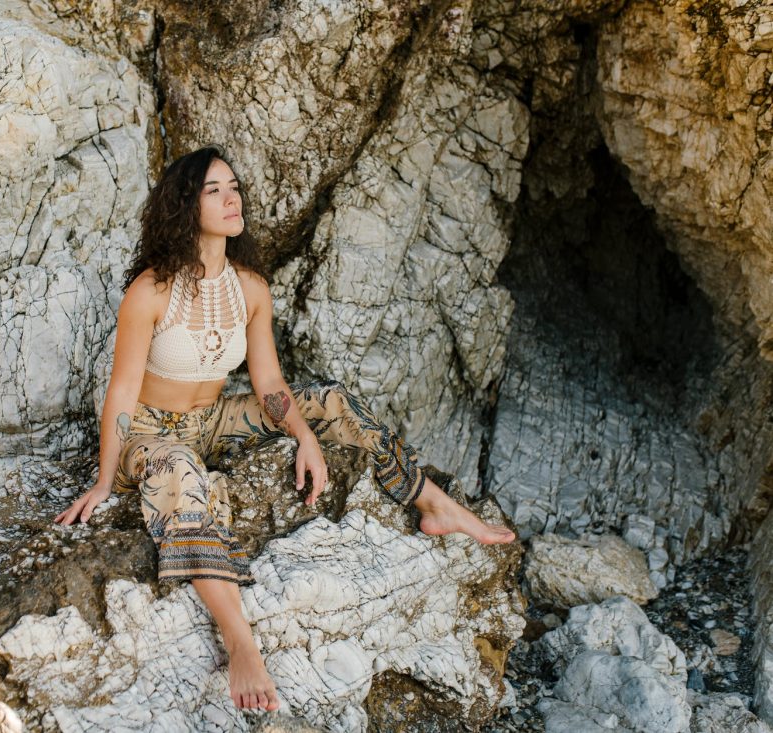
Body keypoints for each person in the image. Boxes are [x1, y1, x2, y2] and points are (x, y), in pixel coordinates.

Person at [54, 146, 516, 712]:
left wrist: (305, 434)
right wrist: (105, 481)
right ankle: (239, 641)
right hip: (151, 437)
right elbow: (121, 392)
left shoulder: (249, 286)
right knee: (179, 470)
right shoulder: (150, 291)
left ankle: (435, 503)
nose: (232, 199)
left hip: (213, 421)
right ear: (184, 205)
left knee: (333, 401)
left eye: (234, 187)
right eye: (214, 190)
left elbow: (270, 381)